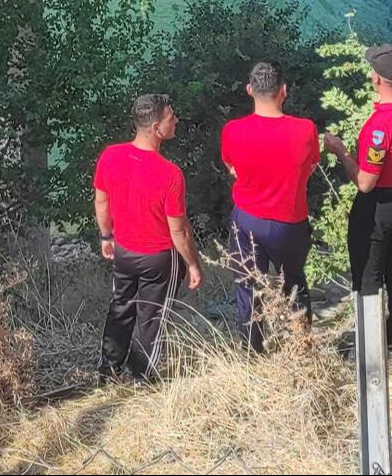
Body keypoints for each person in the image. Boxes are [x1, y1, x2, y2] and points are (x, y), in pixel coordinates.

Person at [94, 93, 203, 383]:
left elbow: (102, 203)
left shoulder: (110, 156)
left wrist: (107, 236)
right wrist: (192, 264)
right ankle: (140, 376)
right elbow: (178, 231)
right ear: (156, 128)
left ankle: (108, 371)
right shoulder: (170, 174)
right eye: (171, 117)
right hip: (160, 258)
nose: (176, 120)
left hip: (125, 252)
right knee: (151, 317)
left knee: (121, 307)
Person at [222, 61, 320, 353]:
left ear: (250, 90)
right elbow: (311, 167)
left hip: (247, 219)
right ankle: (301, 346)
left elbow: (232, 167)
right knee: (295, 284)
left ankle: (253, 352)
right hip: (291, 221)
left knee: (248, 285)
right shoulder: (305, 129)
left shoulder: (232, 130)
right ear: (284, 91)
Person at [324, 44, 392, 335]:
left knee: (368, 278)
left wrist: (341, 152)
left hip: (378, 207)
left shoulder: (380, 126)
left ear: (376, 79)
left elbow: (366, 181)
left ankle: (370, 354)